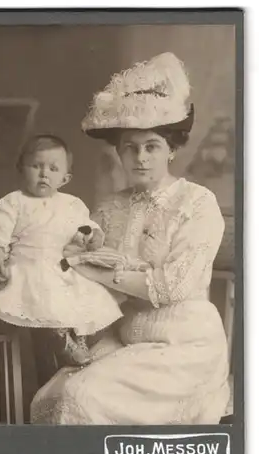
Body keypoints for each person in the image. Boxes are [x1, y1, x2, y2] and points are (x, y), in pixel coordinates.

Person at [30, 52, 230, 425]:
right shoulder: (108, 209)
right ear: (119, 152)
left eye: (152, 146)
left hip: (185, 347)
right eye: (130, 147)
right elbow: (75, 261)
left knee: (81, 399)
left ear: (171, 148)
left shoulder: (197, 203)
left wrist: (94, 271)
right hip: (126, 340)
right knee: (51, 397)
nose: (140, 157)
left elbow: (171, 288)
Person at [0, 134, 124, 366]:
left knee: (82, 295)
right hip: (28, 264)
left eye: (53, 168)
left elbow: (86, 227)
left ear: (65, 178)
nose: (44, 173)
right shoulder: (14, 202)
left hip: (61, 264)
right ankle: (61, 338)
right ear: (22, 169)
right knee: (46, 292)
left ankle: (78, 338)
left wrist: (93, 237)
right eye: (36, 166)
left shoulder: (71, 204)